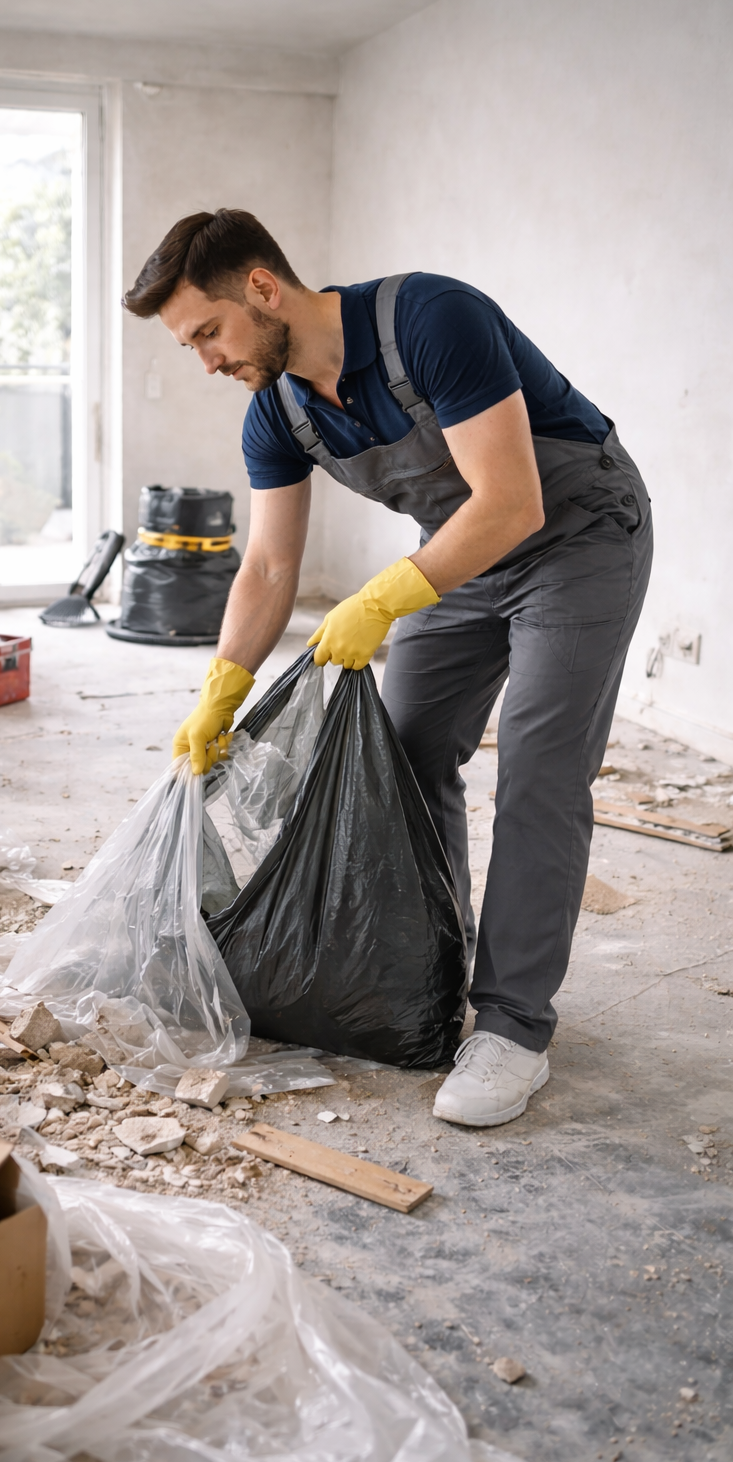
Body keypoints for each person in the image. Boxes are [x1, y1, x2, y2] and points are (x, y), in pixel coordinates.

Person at [122, 209, 652, 1128]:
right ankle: (429, 965)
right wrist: (222, 688)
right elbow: (270, 567)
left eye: (208, 332)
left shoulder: (431, 320)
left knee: (539, 768)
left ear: (262, 288)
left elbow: (512, 501)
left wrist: (379, 600)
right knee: (398, 751)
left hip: (577, 535)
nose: (206, 361)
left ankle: (513, 1027)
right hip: (462, 554)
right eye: (190, 346)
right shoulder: (278, 412)